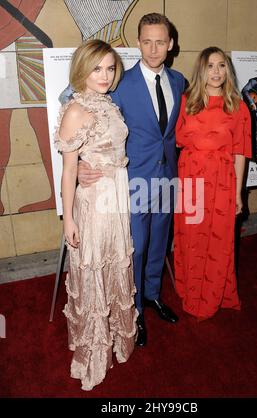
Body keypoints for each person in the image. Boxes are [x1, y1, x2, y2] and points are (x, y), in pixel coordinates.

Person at [74, 13, 186, 346]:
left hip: (167, 178)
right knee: (135, 248)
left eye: (160, 42)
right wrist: (80, 161)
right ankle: (134, 310)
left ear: (171, 45)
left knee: (159, 241)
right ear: (138, 43)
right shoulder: (120, 81)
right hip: (133, 180)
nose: (153, 49)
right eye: (147, 41)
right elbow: (77, 106)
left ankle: (152, 294)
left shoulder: (179, 81)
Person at [54, 39, 137, 391]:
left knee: (115, 265)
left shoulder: (108, 104)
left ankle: (118, 336)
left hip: (117, 197)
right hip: (93, 202)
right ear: (82, 70)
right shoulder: (75, 110)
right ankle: (94, 350)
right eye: (97, 68)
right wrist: (69, 220)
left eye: (110, 68)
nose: (105, 75)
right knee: (93, 269)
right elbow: (69, 169)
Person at [174, 46, 252, 321]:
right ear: (201, 70)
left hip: (222, 180)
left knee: (218, 240)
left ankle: (213, 294)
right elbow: (176, 140)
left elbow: (240, 152)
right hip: (191, 177)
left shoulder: (238, 106)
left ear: (227, 70)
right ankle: (191, 289)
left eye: (221, 66)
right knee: (192, 236)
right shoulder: (187, 101)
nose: (216, 72)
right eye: (210, 66)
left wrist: (239, 193)